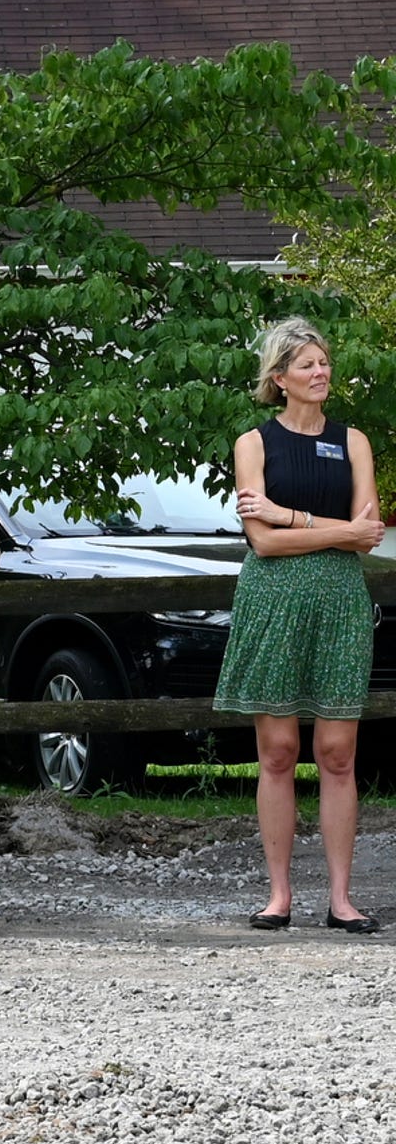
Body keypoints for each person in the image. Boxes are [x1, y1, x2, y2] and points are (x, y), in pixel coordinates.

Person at [217, 318, 385, 933]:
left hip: (340, 601)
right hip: (273, 600)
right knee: (279, 750)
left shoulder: (354, 442)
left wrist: (292, 516)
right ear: (279, 378)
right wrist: (333, 531)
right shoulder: (253, 444)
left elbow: (368, 538)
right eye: (307, 364)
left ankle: (341, 899)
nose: (321, 373)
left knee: (338, 753)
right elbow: (261, 544)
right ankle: (279, 895)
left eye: (324, 363)